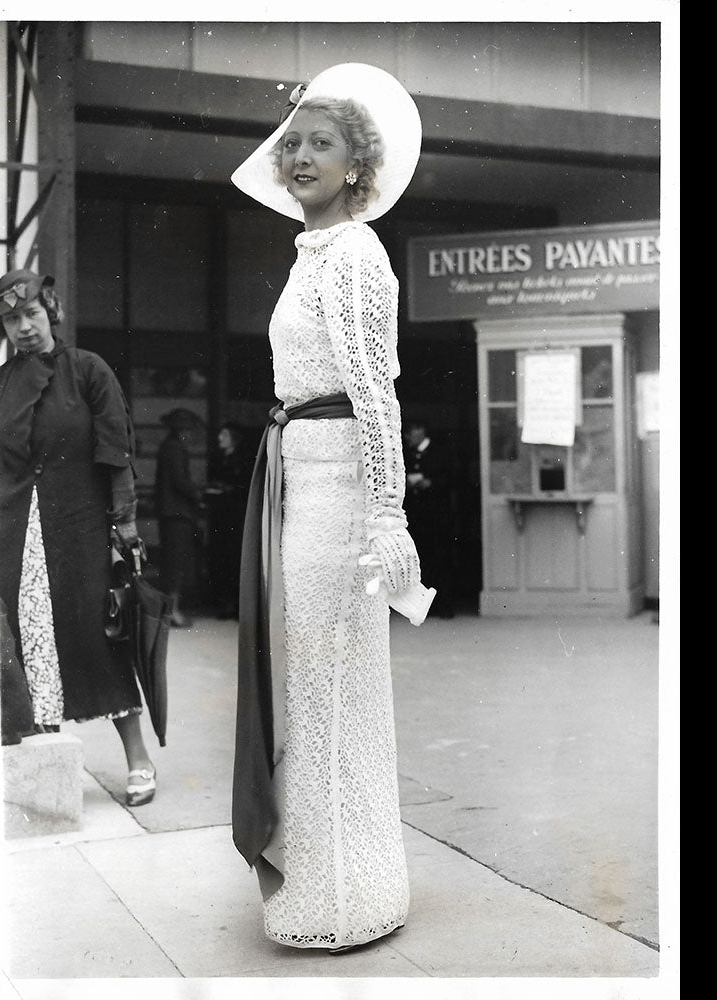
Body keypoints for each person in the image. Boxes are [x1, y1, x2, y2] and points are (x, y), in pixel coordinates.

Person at [229, 63, 431, 953]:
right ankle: (325, 881)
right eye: (292, 142)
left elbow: (375, 393)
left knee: (330, 691)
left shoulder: (355, 255)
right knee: (307, 691)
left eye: (322, 142)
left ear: (357, 165)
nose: (300, 154)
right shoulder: (312, 255)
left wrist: (387, 515)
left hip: (340, 496)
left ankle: (348, 896)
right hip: (296, 483)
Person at [0, 269, 157, 807]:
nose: (23, 327)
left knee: (97, 638)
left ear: (52, 312)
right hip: (16, 534)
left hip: (80, 530)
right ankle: (43, 767)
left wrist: (126, 524)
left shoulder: (87, 370)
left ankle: (138, 760)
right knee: (27, 645)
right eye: (11, 319)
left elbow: (115, 451)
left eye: (31, 315)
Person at [403, 419, 457, 618]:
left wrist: (430, 483)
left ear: (421, 429)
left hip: (438, 516)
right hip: (417, 517)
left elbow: (450, 478)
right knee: (421, 561)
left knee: (441, 559)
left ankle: (445, 606)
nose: (408, 438)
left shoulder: (439, 451)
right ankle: (424, 608)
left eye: (411, 433)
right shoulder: (408, 454)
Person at [155, 408, 202, 627]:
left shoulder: (169, 446)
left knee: (173, 562)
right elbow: (180, 482)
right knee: (175, 564)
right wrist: (198, 493)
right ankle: (172, 612)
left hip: (171, 512)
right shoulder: (174, 448)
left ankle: (170, 611)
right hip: (176, 512)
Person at [203, 422, 251, 619]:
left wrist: (227, 490)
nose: (219, 438)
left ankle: (236, 605)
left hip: (235, 516)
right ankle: (223, 603)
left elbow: (244, 488)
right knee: (220, 558)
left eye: (224, 435)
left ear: (233, 438)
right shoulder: (217, 459)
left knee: (234, 559)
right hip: (220, 516)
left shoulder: (242, 460)